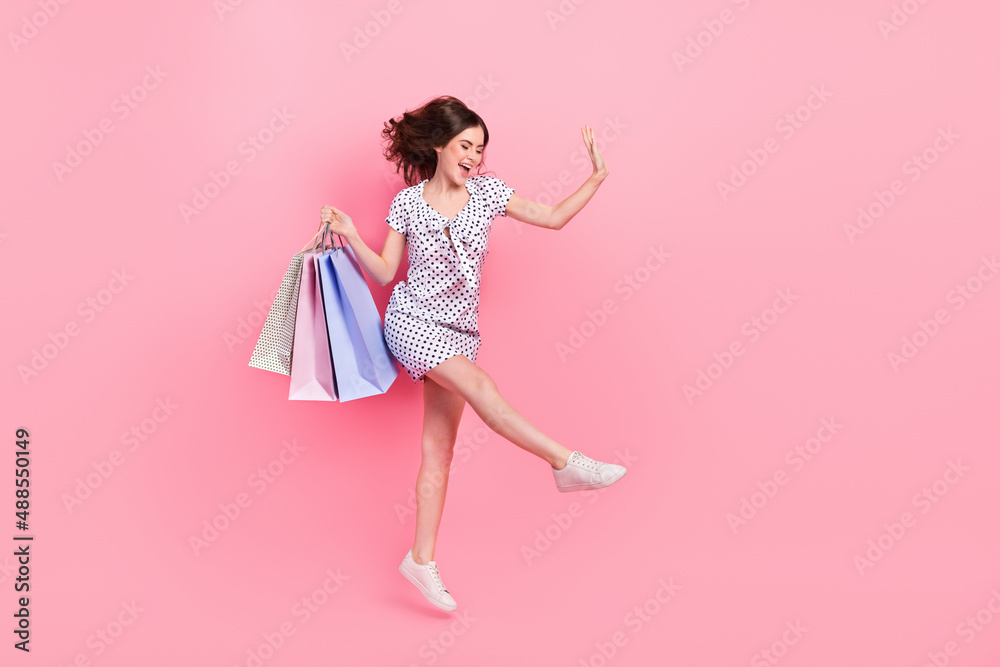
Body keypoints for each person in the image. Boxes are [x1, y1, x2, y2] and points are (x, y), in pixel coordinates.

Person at [319, 95, 626, 612]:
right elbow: (385, 271)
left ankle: (420, 560)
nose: (473, 157)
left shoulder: (486, 195)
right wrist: (350, 234)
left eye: (479, 150)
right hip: (412, 323)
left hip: (460, 332)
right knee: (483, 387)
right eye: (465, 146)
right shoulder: (409, 204)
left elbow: (550, 218)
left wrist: (595, 178)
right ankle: (563, 462)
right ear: (438, 145)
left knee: (439, 450)